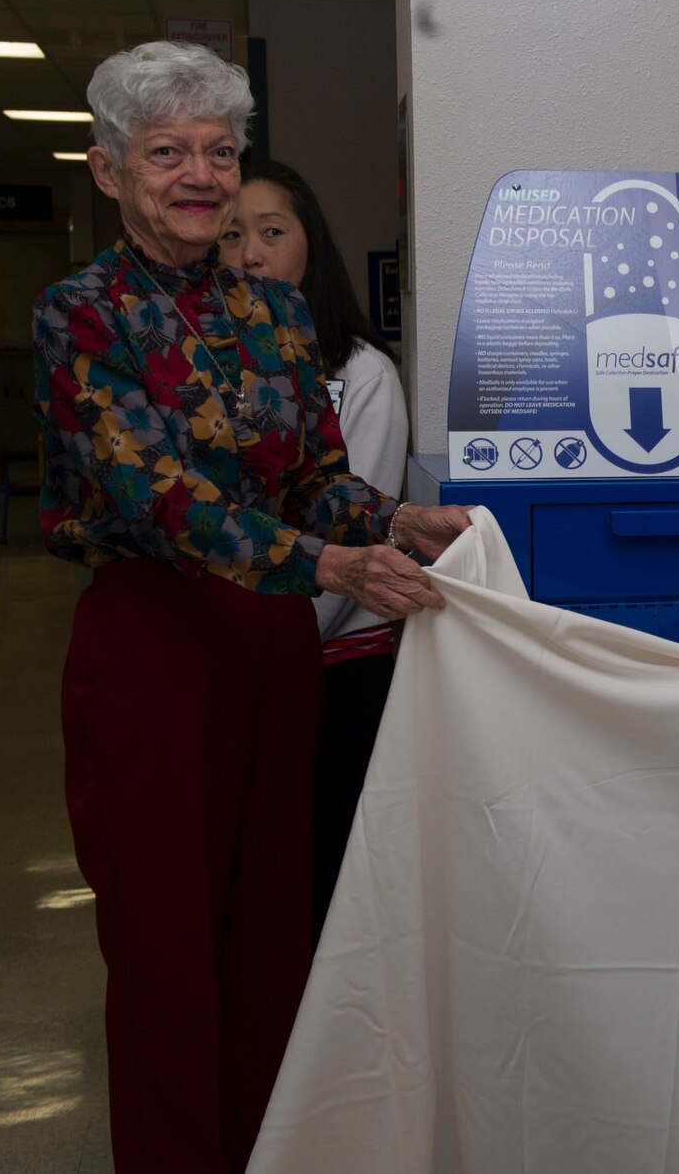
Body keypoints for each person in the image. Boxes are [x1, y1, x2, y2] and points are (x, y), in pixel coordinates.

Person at [34, 40, 470, 1174]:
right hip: (154, 647)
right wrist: (329, 562)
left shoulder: (275, 315)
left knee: (276, 936)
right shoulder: (81, 314)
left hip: (275, 652)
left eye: (217, 152)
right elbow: (156, 493)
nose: (197, 174)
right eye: (166, 151)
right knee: (167, 947)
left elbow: (314, 474)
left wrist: (390, 520)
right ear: (109, 169)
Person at [217, 158, 410, 944]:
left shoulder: (360, 372)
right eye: (231, 234)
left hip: (328, 667)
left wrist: (274, 648)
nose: (250, 253)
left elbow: (348, 533)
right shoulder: (192, 366)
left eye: (271, 231)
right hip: (232, 660)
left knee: (324, 878)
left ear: (310, 245)